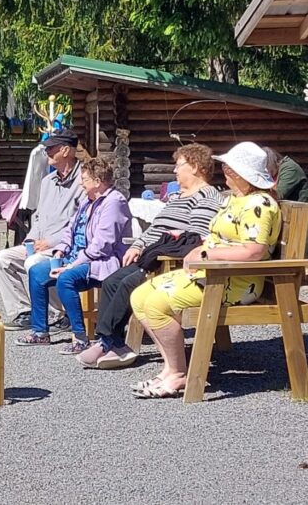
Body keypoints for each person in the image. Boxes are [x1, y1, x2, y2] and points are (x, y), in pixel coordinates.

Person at [129, 141, 281, 398]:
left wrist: (207, 253)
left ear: (241, 174)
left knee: (156, 304)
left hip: (234, 281)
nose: (224, 172)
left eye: (228, 169)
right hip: (212, 273)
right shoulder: (236, 200)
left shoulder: (259, 204)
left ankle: (179, 374)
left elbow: (254, 251)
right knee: (139, 297)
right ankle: (170, 368)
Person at [78, 143, 221, 369]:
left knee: (127, 284)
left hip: (171, 262)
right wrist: (139, 244)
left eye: (178, 165)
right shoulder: (177, 197)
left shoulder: (207, 195)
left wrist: (165, 244)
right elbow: (156, 228)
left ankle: (109, 343)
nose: (174, 170)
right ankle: (111, 342)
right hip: (153, 255)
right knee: (112, 281)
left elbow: (197, 236)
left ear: (195, 167)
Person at [16, 157, 132, 354]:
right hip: (75, 256)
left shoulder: (114, 202)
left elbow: (103, 244)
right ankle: (40, 332)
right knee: (36, 272)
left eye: (85, 180)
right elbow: (70, 229)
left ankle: (80, 338)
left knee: (66, 279)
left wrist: (73, 264)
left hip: (101, 261)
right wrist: (60, 249)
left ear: (98, 182)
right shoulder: (87, 200)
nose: (81, 184)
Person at [0, 128, 86, 331]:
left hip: (66, 247)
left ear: (67, 150)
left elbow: (82, 224)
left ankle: (62, 313)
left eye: (52, 148)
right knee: (1, 259)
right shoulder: (47, 182)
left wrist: (50, 243)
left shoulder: (84, 182)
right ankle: (22, 311)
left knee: (35, 262)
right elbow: (39, 217)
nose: (47, 152)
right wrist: (31, 239)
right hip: (41, 244)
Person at [263, 146, 308, 258]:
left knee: (300, 258)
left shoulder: (289, 168)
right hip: (289, 221)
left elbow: (278, 194)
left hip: (300, 220)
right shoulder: (279, 170)